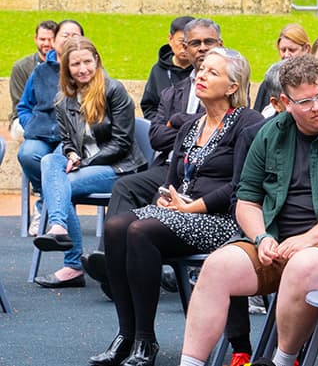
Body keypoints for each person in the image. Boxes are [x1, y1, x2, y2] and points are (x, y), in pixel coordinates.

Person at [177, 54, 318, 366]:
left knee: (303, 265)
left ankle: (283, 361)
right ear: (285, 102)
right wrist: (261, 237)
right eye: (305, 102)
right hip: (282, 245)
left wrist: (310, 238)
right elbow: (247, 201)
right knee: (216, 268)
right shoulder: (270, 133)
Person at [90, 48, 262, 366]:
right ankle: (126, 334)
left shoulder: (248, 123)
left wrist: (193, 206)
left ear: (233, 86)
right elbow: (168, 183)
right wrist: (165, 201)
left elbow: (241, 188)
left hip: (222, 220)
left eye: (212, 72)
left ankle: (146, 340)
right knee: (116, 227)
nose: (200, 76)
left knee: (141, 231)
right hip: (180, 214)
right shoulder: (190, 128)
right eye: (201, 70)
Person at [83, 19, 223, 278]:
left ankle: (130, 269)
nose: (201, 48)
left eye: (208, 42)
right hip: (168, 168)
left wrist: (179, 121)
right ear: (185, 47)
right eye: (194, 43)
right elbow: (157, 137)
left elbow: (222, 129)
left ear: (220, 44)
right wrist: (191, 128)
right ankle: (110, 260)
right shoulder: (173, 92)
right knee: (126, 186)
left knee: (151, 209)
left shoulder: (230, 85)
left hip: (207, 174)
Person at [32, 37, 147, 288]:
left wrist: (82, 161)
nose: (82, 69)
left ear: (96, 61)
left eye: (87, 62)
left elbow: (122, 143)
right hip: (84, 165)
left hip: (120, 168)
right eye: (75, 64)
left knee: (59, 189)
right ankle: (59, 228)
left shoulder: (114, 90)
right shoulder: (63, 99)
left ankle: (71, 261)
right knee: (52, 159)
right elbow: (67, 140)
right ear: (67, 68)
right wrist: (72, 154)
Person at [18, 19, 84, 236]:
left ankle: (46, 209)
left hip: (70, 138)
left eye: (76, 35)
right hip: (41, 133)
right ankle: (46, 201)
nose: (70, 39)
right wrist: (32, 124)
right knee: (27, 153)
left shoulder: (85, 69)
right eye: (65, 35)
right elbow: (24, 106)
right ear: (54, 41)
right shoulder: (40, 72)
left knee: (53, 163)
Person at [140, 16, 195, 121]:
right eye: (181, 41)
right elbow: (149, 106)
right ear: (170, 39)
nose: (185, 47)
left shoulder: (203, 71)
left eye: (190, 42)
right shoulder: (158, 70)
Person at [10, 20, 57, 138]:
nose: (46, 43)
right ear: (35, 39)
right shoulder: (21, 67)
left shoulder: (66, 65)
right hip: (27, 117)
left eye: (50, 39)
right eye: (42, 39)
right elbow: (20, 105)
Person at [253, 23, 310, 112]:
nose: (286, 55)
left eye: (292, 50)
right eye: (283, 50)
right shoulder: (270, 83)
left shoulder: (315, 80)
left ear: (306, 49)